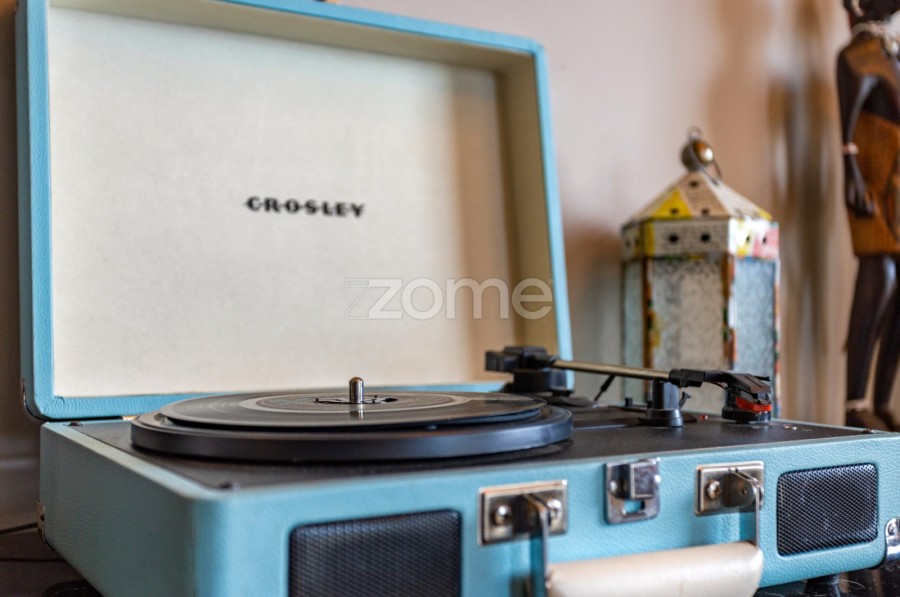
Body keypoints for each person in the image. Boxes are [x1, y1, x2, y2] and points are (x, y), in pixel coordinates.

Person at [837, 0, 900, 430]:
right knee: (879, 281)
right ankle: (855, 403)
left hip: (895, 185)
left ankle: (882, 402)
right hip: (873, 185)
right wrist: (852, 172)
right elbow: (847, 128)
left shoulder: (890, 55)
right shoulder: (855, 56)